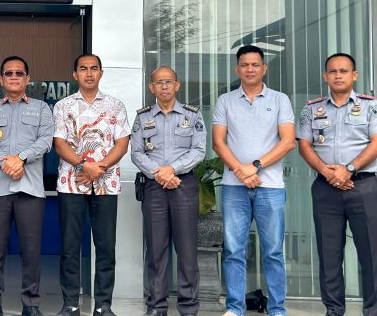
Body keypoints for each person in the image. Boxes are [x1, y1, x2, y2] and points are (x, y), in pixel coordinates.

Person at [211, 45, 295, 316]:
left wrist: (255, 167)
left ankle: (277, 309)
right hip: (235, 188)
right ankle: (235, 307)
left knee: (272, 252)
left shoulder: (280, 99)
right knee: (234, 250)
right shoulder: (225, 100)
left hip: (270, 187)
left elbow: (288, 142)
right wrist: (241, 171)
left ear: (264, 68)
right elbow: (218, 142)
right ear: (238, 69)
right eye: (244, 65)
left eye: (255, 64)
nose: (250, 69)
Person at [297, 53, 377, 316]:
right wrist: (328, 172)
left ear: (354, 75)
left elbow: (376, 142)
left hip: (364, 187)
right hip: (325, 188)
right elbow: (304, 145)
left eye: (344, 71)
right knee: (329, 254)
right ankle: (333, 310)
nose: (338, 75)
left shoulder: (370, 106)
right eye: (333, 71)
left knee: (371, 254)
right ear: (325, 76)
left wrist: (349, 169)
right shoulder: (311, 109)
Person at [53, 53, 130, 316]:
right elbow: (59, 143)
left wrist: (100, 168)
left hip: (106, 184)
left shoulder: (115, 106)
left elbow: (122, 142)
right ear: (75, 74)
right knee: (70, 247)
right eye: (83, 69)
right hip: (71, 183)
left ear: (101, 73)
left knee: (106, 247)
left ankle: (103, 306)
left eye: (93, 68)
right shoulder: (63, 106)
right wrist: (84, 164)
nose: (88, 73)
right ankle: (70, 303)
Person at [0, 56, 54, 316]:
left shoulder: (42, 108)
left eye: (19, 73)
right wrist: (5, 162)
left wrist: (20, 158)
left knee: (31, 251)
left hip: (30, 189)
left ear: (27, 79)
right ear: (0, 79)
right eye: (8, 73)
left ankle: (31, 304)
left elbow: (46, 141)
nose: (14, 77)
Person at [131, 66, 205, 316]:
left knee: (186, 250)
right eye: (158, 82)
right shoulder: (142, 117)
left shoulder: (192, 115)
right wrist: (159, 173)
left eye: (168, 81)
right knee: (156, 249)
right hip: (154, 187)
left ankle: (188, 306)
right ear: (151, 87)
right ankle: (157, 305)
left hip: (184, 185)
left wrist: (172, 170)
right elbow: (137, 153)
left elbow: (199, 150)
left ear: (177, 85)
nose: (164, 86)